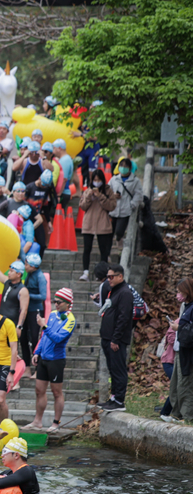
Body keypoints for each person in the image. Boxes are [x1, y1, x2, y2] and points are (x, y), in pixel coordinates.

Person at [24, 288, 76, 432]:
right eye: (54, 301)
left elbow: (58, 338)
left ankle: (56, 423)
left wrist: (44, 326)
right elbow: (44, 336)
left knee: (56, 392)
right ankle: (37, 421)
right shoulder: (53, 314)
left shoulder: (70, 320)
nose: (56, 304)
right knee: (39, 390)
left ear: (68, 303)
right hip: (44, 358)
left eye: (59, 302)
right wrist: (36, 352)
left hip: (56, 360)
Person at [98, 264, 134, 410]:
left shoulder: (125, 293)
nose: (109, 280)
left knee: (118, 369)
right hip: (107, 337)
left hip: (116, 340)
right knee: (112, 369)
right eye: (107, 277)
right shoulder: (114, 291)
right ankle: (113, 398)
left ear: (120, 276)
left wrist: (116, 338)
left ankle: (119, 400)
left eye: (111, 277)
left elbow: (123, 318)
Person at [79, 169, 117, 281]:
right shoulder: (88, 190)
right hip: (88, 224)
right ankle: (85, 272)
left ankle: (103, 273)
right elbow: (82, 206)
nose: (97, 182)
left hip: (103, 224)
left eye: (99, 180)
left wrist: (100, 196)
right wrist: (89, 197)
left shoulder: (108, 190)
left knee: (103, 250)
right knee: (87, 249)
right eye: (95, 180)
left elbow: (111, 206)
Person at [165, 277, 193, 423]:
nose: (178, 295)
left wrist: (178, 328)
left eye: (179, 292)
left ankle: (187, 416)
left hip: (188, 354)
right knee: (176, 384)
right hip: (180, 351)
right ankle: (176, 414)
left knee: (185, 386)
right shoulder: (186, 307)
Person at [0, 244, 29, 337]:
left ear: (19, 274)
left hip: (12, 324)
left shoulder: (23, 290)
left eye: (11, 271)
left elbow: (24, 310)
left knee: (11, 350)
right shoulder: (7, 282)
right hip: (1, 321)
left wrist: (19, 326)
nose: (9, 273)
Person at [21, 252, 48, 383]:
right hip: (26, 310)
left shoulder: (40, 277)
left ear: (33, 266)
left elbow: (43, 296)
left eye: (26, 264)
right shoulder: (30, 274)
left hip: (36, 310)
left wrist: (27, 295)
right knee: (23, 338)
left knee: (34, 339)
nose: (24, 266)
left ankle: (38, 369)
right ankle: (27, 367)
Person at [108, 158, 140, 247]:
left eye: (125, 166)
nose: (123, 168)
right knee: (109, 233)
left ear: (130, 168)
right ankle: (107, 254)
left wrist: (132, 205)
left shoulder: (135, 181)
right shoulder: (114, 179)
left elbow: (138, 194)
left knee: (119, 231)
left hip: (125, 211)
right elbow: (107, 190)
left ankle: (119, 240)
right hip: (113, 209)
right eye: (121, 165)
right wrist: (113, 195)